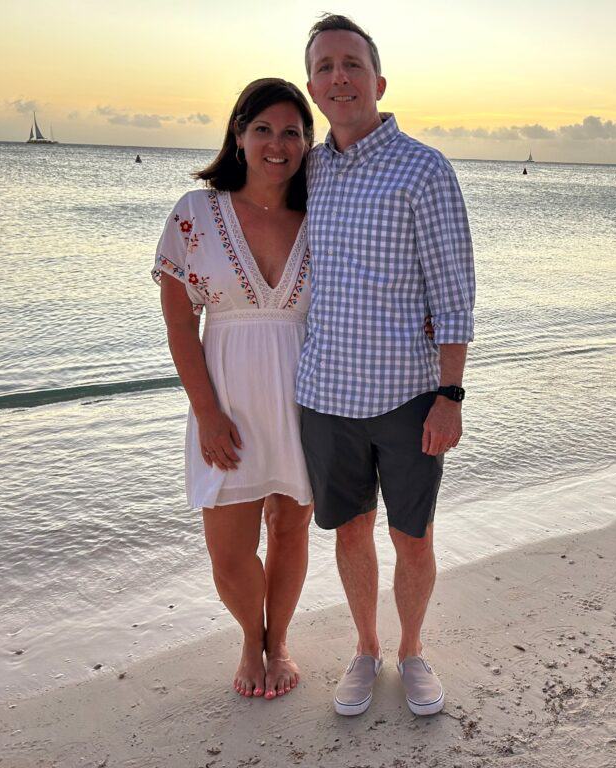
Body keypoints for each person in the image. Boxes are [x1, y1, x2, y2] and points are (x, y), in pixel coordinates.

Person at [298, 14, 475, 717]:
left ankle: (412, 651)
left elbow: (454, 292)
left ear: (377, 80)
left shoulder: (423, 168)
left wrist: (450, 394)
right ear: (312, 85)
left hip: (407, 394)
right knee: (349, 530)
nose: (338, 76)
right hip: (325, 393)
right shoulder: (307, 169)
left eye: (350, 63)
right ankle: (367, 649)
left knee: (413, 535)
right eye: (324, 66)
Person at [153, 78, 315, 701]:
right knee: (228, 552)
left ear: (307, 144)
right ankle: (252, 634)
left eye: (293, 132)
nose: (278, 144)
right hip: (225, 408)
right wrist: (206, 412)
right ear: (239, 136)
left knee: (291, 531)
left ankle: (279, 643)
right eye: (264, 130)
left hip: (304, 404)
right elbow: (177, 320)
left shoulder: (318, 215)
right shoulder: (195, 213)